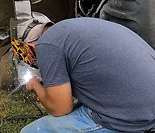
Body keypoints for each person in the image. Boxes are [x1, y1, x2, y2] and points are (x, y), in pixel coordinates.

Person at [19, 17, 155, 133]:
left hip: (131, 118)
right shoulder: (72, 29)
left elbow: (61, 109)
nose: (33, 61)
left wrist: (36, 85)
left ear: (29, 43)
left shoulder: (45, 44)